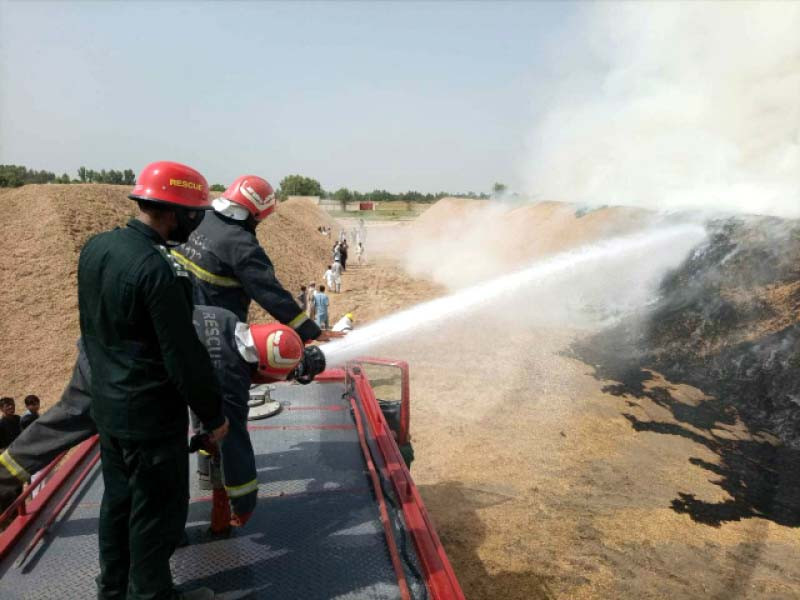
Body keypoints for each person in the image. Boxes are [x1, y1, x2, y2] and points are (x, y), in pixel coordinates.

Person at [0, 312, 327, 530]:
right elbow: (235, 441)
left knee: (58, 425)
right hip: (115, 373)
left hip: (106, 341)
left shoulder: (227, 319)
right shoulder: (229, 375)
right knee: (71, 425)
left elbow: (200, 377)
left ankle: (4, 472)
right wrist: (244, 504)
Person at [78, 160, 228, 600]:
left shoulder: (97, 248)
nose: (194, 222)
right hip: (150, 418)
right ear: (173, 211)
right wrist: (213, 414)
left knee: (118, 504)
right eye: (193, 213)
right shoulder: (161, 270)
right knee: (156, 514)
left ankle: (113, 590)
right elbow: (183, 356)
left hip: (108, 407)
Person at [171, 175, 321, 344]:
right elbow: (270, 293)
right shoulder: (242, 245)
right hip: (215, 335)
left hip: (176, 320)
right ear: (256, 214)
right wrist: (310, 330)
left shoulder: (198, 219)